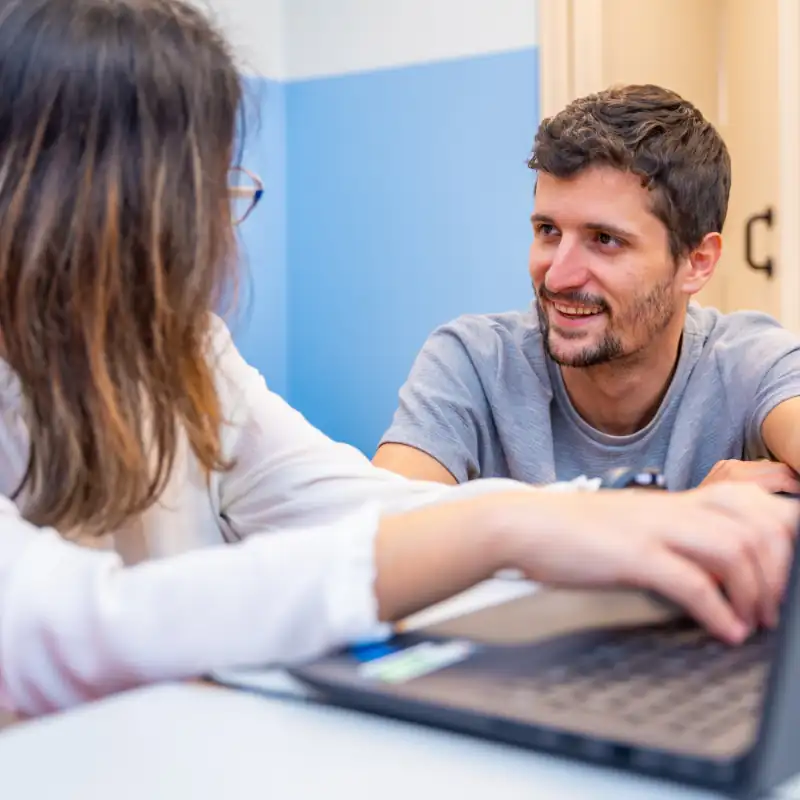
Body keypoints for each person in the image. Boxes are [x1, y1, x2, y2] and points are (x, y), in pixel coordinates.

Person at [0, 1, 796, 720]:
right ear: (90, 202)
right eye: (202, 191)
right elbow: (65, 627)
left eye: (606, 241)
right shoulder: (473, 353)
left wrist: (615, 513)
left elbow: (363, 508)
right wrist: (519, 524)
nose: (218, 227)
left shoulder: (190, 357)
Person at [374, 84, 800, 496]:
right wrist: (689, 521)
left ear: (697, 261)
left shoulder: (752, 364)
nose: (558, 277)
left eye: (605, 239)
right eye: (548, 231)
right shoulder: (475, 364)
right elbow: (383, 539)